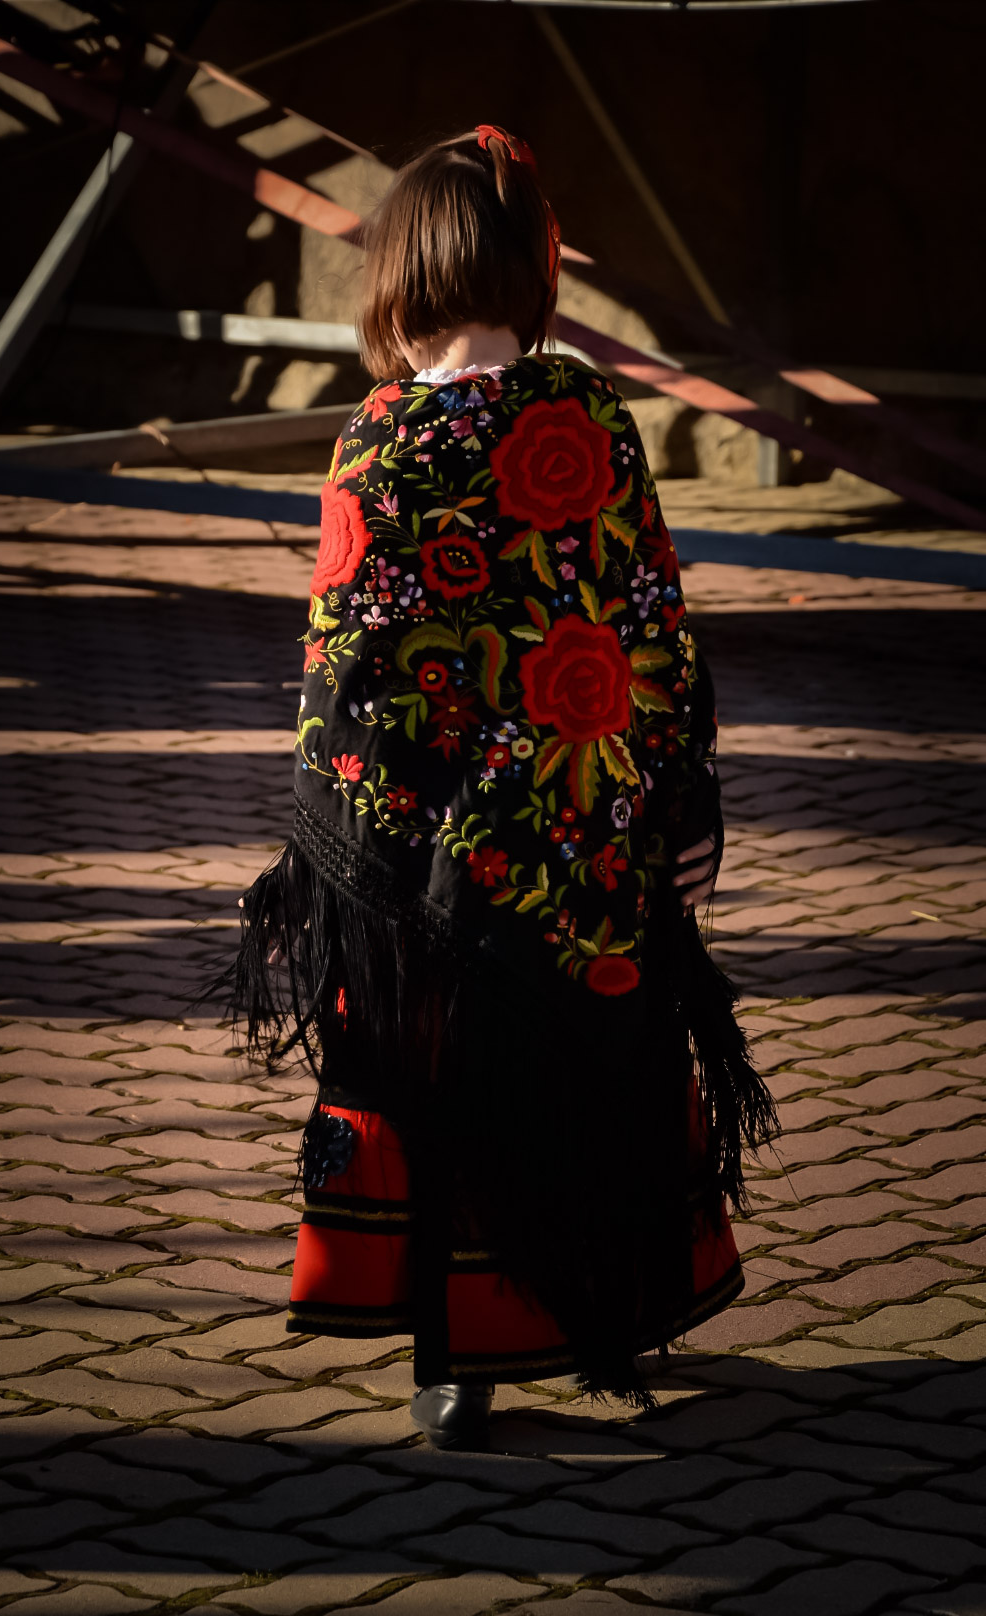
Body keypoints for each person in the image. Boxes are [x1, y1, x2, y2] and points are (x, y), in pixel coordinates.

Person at [234, 125, 778, 1451]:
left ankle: (456, 1359)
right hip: (586, 836)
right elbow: (653, 621)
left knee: (447, 1089)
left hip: (431, 861)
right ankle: (602, 1305)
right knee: (592, 1068)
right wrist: (685, 799)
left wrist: (331, 856)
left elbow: (346, 669)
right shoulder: (592, 415)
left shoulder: (377, 437)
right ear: (533, 269)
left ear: (402, 272)